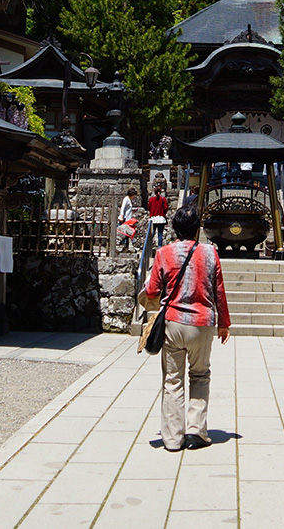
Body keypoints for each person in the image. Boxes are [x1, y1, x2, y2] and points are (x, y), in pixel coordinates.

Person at [141, 206, 231, 452]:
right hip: (202, 323)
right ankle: (196, 429)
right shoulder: (211, 253)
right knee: (200, 375)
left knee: (173, 380)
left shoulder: (163, 253)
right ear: (197, 228)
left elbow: (151, 291)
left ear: (174, 229)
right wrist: (224, 324)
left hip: (173, 322)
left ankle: (171, 438)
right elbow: (219, 291)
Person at [117, 187, 138, 251]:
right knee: (124, 233)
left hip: (128, 219)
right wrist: (121, 215)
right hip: (125, 219)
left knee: (127, 234)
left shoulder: (129, 200)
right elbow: (123, 208)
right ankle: (123, 246)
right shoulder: (126, 199)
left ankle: (127, 246)